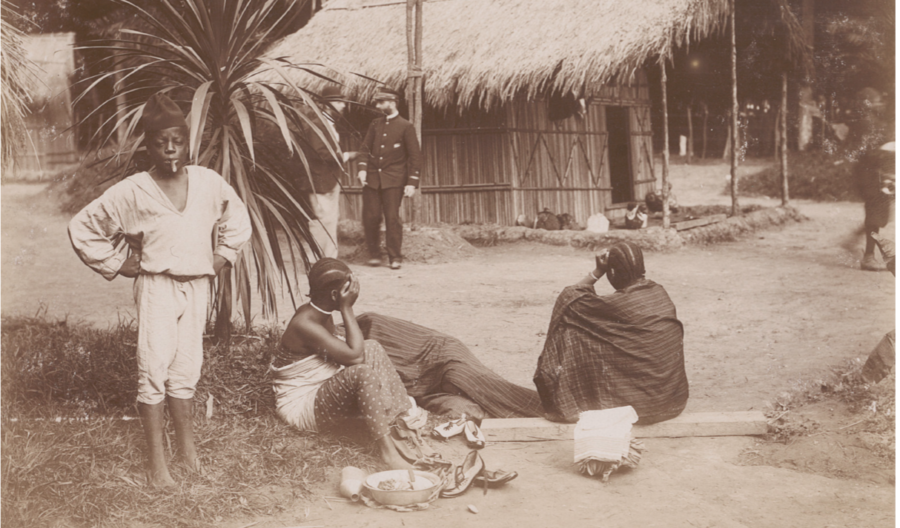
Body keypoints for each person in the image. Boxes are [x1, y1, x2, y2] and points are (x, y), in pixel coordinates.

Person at [68, 93, 253, 487]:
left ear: (188, 143)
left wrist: (220, 258)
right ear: (147, 146)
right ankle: (157, 466)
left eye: (177, 140)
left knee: (186, 370)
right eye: (160, 141)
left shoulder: (207, 182)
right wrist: (118, 264)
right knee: (154, 370)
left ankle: (187, 453)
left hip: (197, 286)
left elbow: (237, 219)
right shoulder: (134, 190)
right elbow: (83, 226)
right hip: (157, 287)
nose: (170, 148)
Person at [271, 258, 416, 469]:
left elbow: (352, 349)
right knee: (361, 372)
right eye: (348, 290)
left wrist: (343, 305)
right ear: (334, 295)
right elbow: (355, 358)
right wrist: (347, 308)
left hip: (319, 388)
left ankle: (392, 421)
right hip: (302, 405)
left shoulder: (321, 310)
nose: (354, 293)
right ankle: (388, 452)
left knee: (372, 346)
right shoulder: (305, 323)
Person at [533, 241, 689, 424]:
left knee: (572, 332)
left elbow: (568, 298)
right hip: (671, 404)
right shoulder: (658, 292)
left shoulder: (615, 305)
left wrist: (597, 272)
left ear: (612, 272)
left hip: (635, 411)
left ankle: (572, 402)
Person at [354, 312, 545, 422]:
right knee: (467, 411)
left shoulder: (367, 324)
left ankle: (549, 408)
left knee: (476, 383)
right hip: (422, 388)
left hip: (440, 357)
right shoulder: (348, 363)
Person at [357, 87, 423, 269]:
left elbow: (415, 157)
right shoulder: (375, 124)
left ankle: (395, 257)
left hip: (394, 180)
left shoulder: (406, 126)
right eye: (377, 102)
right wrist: (362, 170)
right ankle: (375, 255)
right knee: (371, 217)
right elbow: (364, 150)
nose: (378, 106)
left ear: (392, 103)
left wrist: (412, 182)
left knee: (392, 218)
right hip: (371, 179)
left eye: (381, 102)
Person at [295, 85, 352, 259]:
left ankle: (328, 259)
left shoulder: (328, 124)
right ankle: (317, 260)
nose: (343, 106)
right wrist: (346, 156)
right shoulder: (318, 125)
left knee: (328, 221)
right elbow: (321, 152)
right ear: (328, 105)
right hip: (320, 181)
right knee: (321, 221)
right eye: (339, 102)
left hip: (328, 180)